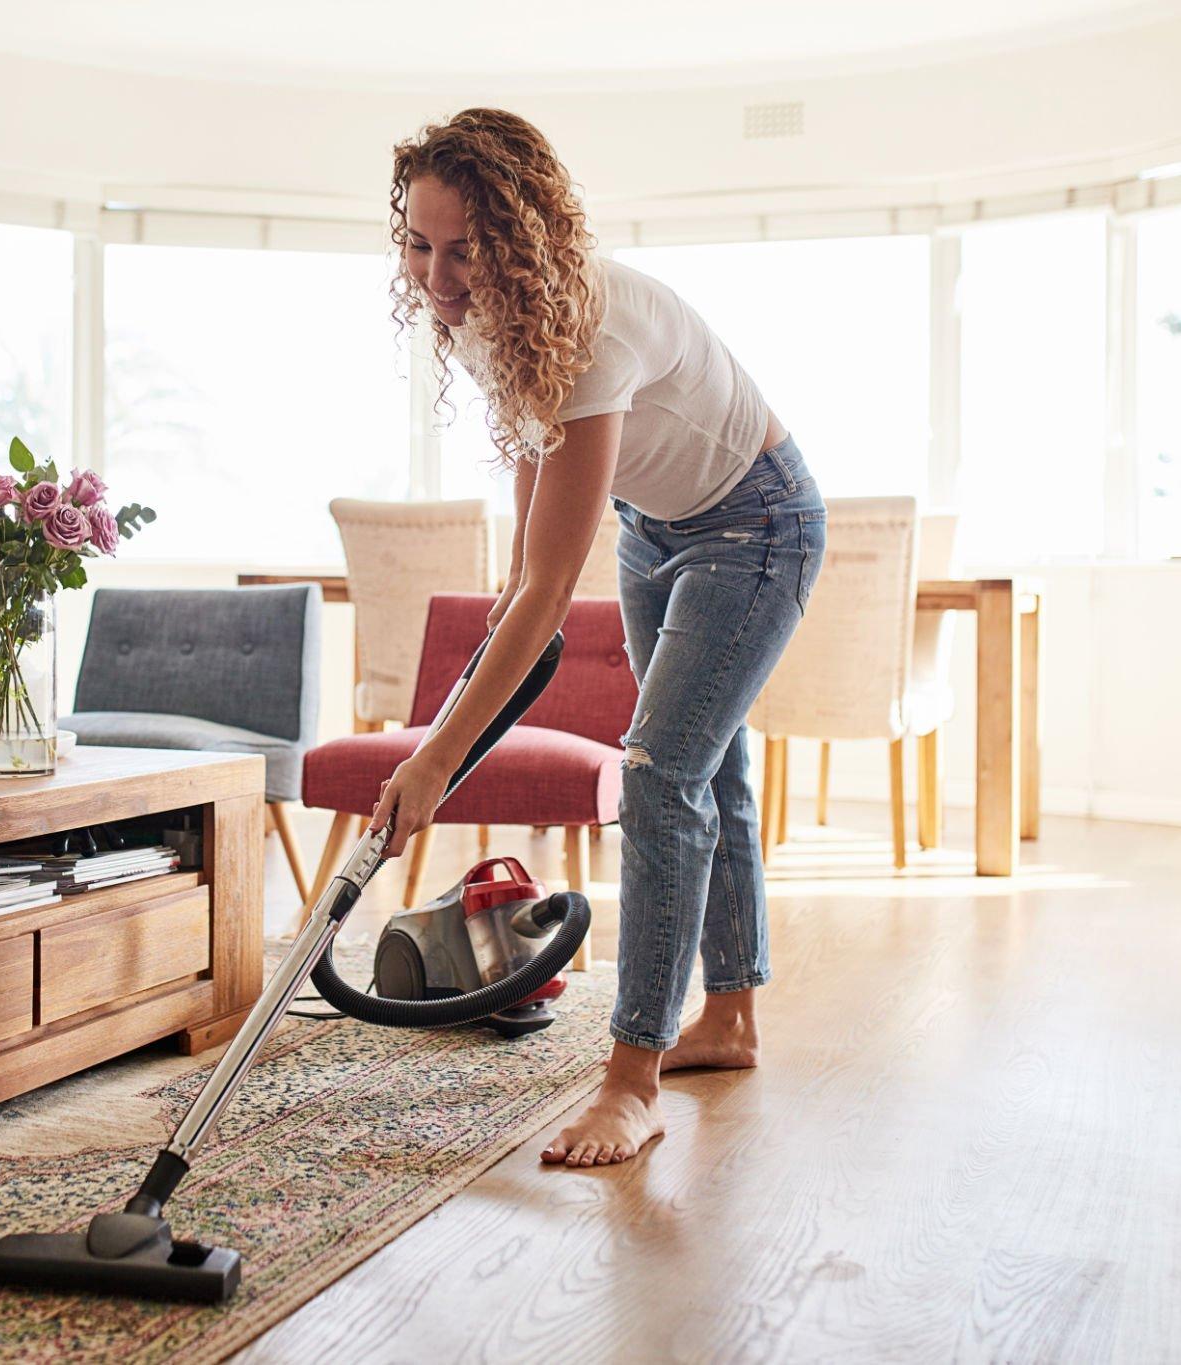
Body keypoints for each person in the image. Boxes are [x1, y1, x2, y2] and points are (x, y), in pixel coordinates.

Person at [369, 108, 826, 1168]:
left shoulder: (588, 325)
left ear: (519, 239)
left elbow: (548, 586)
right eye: (418, 243)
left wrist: (435, 755)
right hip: (651, 524)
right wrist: (506, 607)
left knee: (662, 777)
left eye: (463, 249)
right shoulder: (490, 313)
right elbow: (532, 533)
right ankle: (732, 1017)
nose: (436, 277)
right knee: (710, 771)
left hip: (755, 524)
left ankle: (632, 1083)